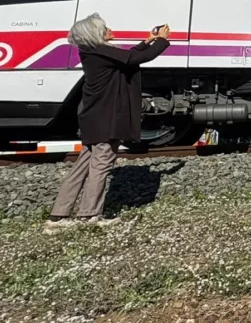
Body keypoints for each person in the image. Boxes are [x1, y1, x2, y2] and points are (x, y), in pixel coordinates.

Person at [44, 14, 171, 234]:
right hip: (106, 118)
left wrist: (146, 41)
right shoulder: (99, 51)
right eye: (105, 28)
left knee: (82, 165)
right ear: (95, 34)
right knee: (101, 165)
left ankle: (58, 217)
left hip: (93, 118)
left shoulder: (93, 52)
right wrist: (161, 40)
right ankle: (90, 215)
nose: (109, 29)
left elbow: (125, 57)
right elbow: (133, 59)